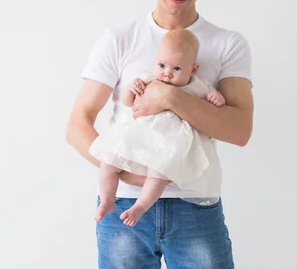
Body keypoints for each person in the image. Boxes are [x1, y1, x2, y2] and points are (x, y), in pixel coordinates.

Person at [66, 0, 254, 269]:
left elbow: (240, 130)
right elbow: (78, 124)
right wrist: (126, 173)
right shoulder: (119, 39)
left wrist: (169, 96)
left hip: (195, 207)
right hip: (122, 204)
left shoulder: (229, 44)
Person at [89, 28, 226, 227]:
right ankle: (108, 200)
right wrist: (131, 89)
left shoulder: (198, 86)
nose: (167, 73)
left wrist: (217, 98)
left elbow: (213, 107)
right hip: (140, 136)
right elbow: (129, 103)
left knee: (159, 175)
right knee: (109, 162)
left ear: (193, 69)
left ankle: (140, 206)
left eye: (176, 69)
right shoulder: (148, 78)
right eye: (162, 65)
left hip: (169, 142)